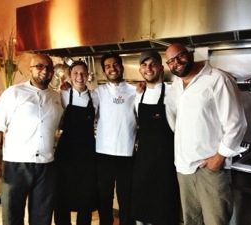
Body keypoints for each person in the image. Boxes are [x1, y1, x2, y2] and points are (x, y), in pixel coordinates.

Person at [165, 43, 247, 225]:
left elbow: (236, 122)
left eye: (180, 56)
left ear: (190, 54)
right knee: (191, 221)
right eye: (170, 61)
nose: (176, 63)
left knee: (215, 221)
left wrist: (220, 157)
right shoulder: (176, 85)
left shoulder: (218, 79)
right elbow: (172, 115)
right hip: (184, 168)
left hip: (209, 169)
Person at [0, 54, 63, 225]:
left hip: (46, 165)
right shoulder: (13, 93)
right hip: (16, 165)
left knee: (42, 217)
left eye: (49, 67)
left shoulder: (57, 97)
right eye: (39, 66)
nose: (44, 71)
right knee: (12, 215)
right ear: (30, 69)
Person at [131, 51, 180, 225]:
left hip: (166, 164)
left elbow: (180, 129)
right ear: (140, 70)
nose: (148, 68)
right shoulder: (138, 95)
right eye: (144, 65)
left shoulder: (173, 93)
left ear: (160, 67)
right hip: (143, 162)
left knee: (164, 212)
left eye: (152, 64)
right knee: (141, 212)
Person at [92, 52, 137, 225]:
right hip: (103, 152)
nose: (112, 68)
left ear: (122, 67)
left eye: (115, 64)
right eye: (108, 66)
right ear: (104, 71)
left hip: (127, 151)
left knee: (126, 197)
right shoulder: (98, 92)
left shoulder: (135, 91)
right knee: (104, 197)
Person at [54, 61, 98, 225]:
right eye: (76, 73)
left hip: (87, 153)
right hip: (66, 152)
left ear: (88, 75)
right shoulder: (62, 94)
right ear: (70, 76)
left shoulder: (95, 96)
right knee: (62, 196)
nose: (80, 77)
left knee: (85, 196)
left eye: (83, 73)